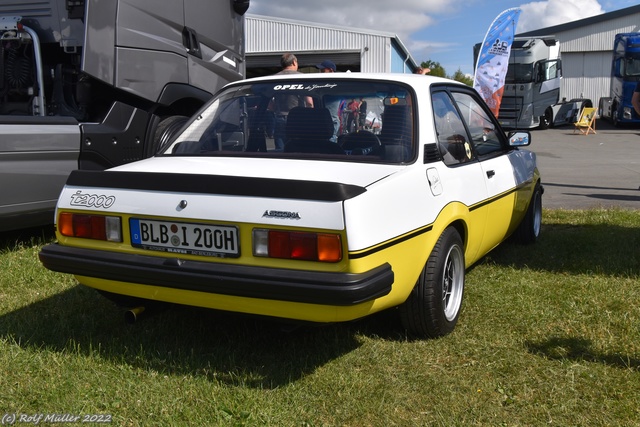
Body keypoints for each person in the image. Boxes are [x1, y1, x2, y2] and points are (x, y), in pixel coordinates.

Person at [270, 53, 313, 150]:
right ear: (294, 62)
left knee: (280, 150)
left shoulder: (273, 79)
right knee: (298, 149)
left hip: (279, 118)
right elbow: (309, 103)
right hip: (298, 119)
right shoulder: (302, 78)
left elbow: (270, 105)